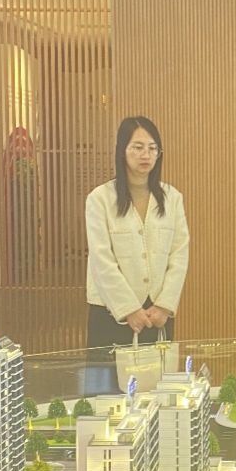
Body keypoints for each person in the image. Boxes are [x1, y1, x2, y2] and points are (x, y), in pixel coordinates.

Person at [86, 116, 189, 350]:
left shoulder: (172, 198)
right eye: (138, 147)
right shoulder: (100, 198)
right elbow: (101, 259)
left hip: (156, 313)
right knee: (107, 374)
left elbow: (179, 254)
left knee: (157, 372)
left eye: (152, 148)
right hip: (109, 311)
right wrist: (128, 309)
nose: (146, 155)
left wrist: (164, 305)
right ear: (122, 151)